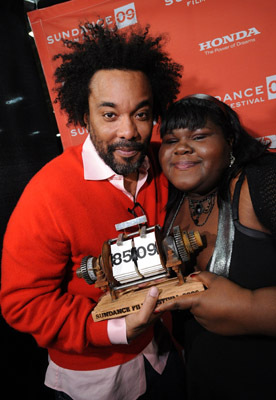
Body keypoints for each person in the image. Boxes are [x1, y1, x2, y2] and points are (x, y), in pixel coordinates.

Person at [0, 24, 184, 400]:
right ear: (83, 116)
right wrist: (113, 329)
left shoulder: (163, 168)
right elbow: (23, 302)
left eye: (142, 113)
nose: (129, 132)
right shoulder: (47, 194)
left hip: (164, 357)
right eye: (110, 115)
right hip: (96, 381)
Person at [156, 94, 276, 399]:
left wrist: (250, 307)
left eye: (199, 136)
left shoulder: (263, 182)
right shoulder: (171, 202)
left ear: (231, 141)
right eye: (171, 140)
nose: (181, 147)